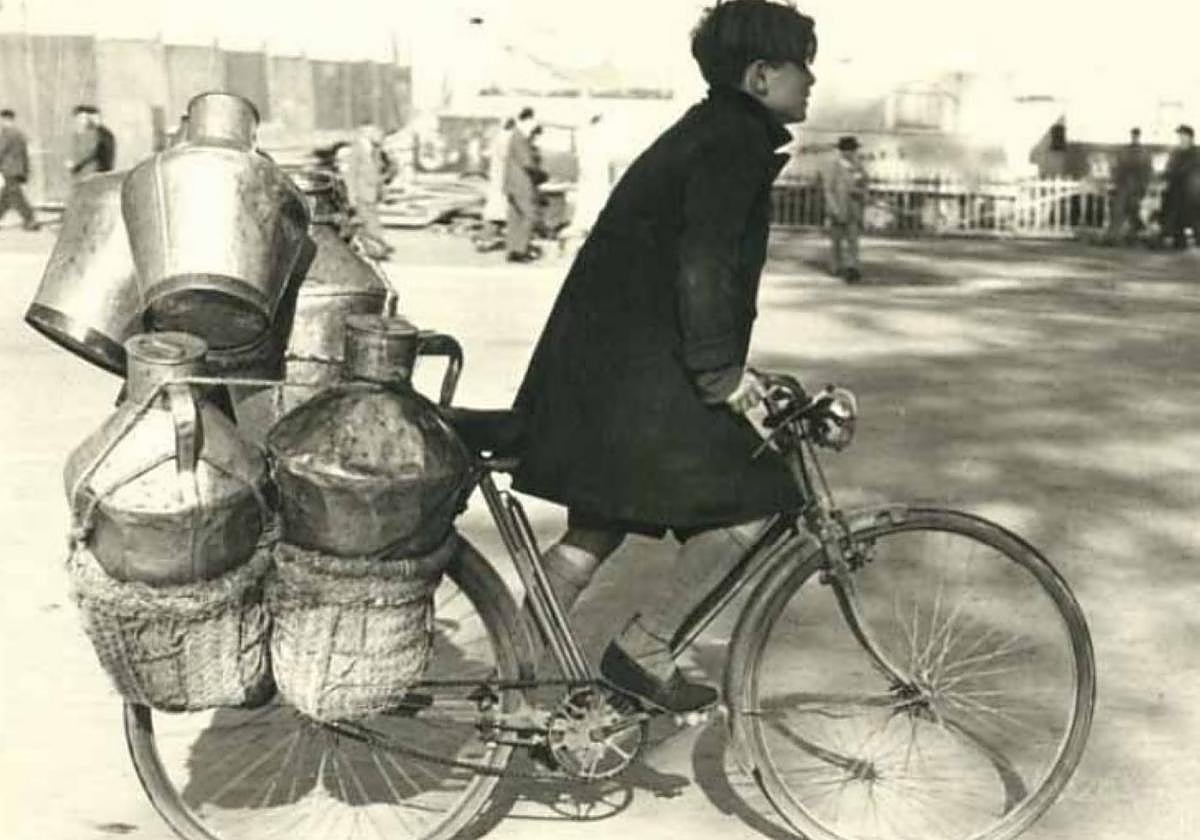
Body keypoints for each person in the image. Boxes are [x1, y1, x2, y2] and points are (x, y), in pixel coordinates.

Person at [511, 0, 817, 713]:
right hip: (637, 379)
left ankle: (515, 687)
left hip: (607, 374)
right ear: (762, 74)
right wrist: (723, 376)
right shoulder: (732, 140)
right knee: (763, 495)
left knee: (597, 525)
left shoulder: (711, 130)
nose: (812, 81)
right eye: (804, 64)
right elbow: (703, 263)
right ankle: (645, 651)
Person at [345, 121, 395, 260]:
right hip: (361, 193)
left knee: (373, 221)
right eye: (374, 132)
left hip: (371, 193)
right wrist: (352, 197)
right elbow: (351, 175)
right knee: (367, 223)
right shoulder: (356, 150)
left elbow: (377, 172)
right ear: (365, 132)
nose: (378, 135)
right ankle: (375, 251)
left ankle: (378, 246)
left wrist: (382, 188)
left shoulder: (375, 150)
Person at [822, 134, 868, 282]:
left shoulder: (858, 166)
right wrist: (833, 208)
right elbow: (828, 190)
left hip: (854, 209)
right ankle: (836, 267)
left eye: (853, 150)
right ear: (841, 151)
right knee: (836, 241)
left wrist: (861, 192)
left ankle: (853, 268)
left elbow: (865, 184)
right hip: (838, 209)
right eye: (847, 150)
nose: (851, 153)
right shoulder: (833, 166)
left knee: (853, 241)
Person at [565, 113, 612, 244]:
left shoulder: (586, 136)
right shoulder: (595, 137)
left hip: (592, 175)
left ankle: (588, 224)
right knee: (593, 200)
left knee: (590, 200)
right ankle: (590, 224)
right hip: (594, 175)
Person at [504, 107, 542, 262]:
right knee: (529, 216)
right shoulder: (520, 138)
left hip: (512, 184)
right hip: (521, 184)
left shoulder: (514, 136)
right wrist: (541, 175)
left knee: (515, 217)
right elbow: (527, 163)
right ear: (527, 121)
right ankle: (520, 250)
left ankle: (512, 249)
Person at [0, 109, 40, 230]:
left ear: (5, 119)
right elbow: (24, 154)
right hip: (18, 169)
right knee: (6, 196)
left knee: (16, 196)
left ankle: (30, 219)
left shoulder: (6, 133)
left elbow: (1, 150)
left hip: (9, 169)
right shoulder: (20, 134)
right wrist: (25, 171)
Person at [1162, 124, 1199, 250]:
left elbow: (1194, 169)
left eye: (1183, 135)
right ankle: (1178, 240)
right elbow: (1169, 168)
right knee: (1175, 213)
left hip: (1193, 191)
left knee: (1194, 216)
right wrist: (1167, 174)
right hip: (1177, 190)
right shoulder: (1176, 152)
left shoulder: (1196, 152)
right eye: (1180, 136)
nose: (1181, 138)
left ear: (1190, 137)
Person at [482, 117, 514, 241]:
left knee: (496, 204)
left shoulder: (498, 136)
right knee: (501, 205)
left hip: (497, 174)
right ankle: (489, 234)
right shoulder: (508, 137)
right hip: (504, 175)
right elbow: (507, 156)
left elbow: (489, 154)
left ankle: (490, 233)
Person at [67, 104, 102, 179]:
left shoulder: (94, 135)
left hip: (90, 177)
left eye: (83, 118)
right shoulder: (76, 135)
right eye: (78, 118)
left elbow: (91, 157)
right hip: (79, 177)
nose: (80, 121)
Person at [90, 107, 116, 172]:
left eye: (94, 119)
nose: (92, 121)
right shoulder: (101, 133)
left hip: (101, 170)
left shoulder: (104, 134)